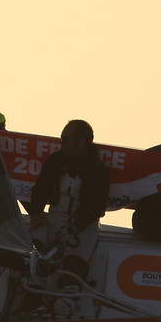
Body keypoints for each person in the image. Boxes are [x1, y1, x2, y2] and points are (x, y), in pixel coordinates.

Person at [26, 119, 110, 279]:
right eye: (61, 138)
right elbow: (40, 188)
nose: (62, 143)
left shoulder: (99, 170)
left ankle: (66, 300)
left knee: (74, 269)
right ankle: (32, 293)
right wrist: (36, 214)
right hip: (54, 218)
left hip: (83, 226)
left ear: (82, 143)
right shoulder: (56, 160)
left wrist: (75, 228)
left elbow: (97, 207)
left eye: (66, 139)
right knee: (29, 255)